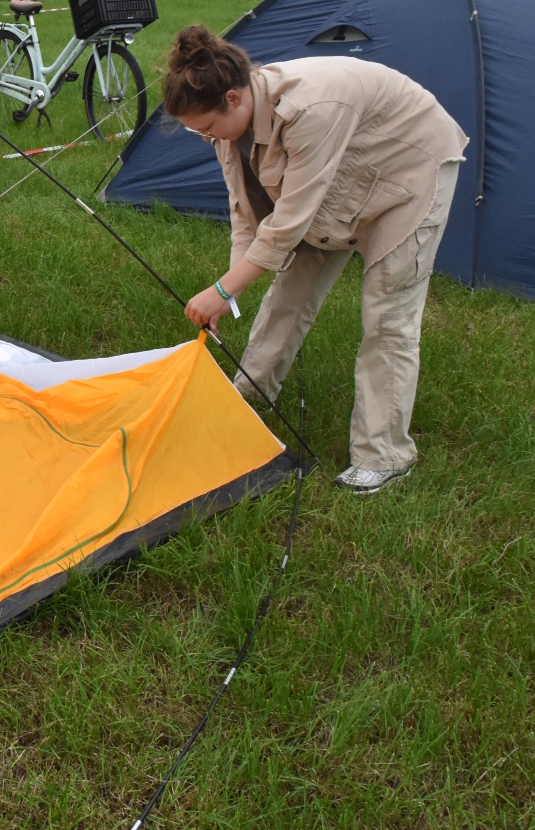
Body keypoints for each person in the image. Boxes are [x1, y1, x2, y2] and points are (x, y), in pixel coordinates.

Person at [164, 26, 467, 495]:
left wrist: (223, 292)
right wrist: (232, 285)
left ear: (233, 97)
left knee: (388, 315)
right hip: (341, 178)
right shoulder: (229, 129)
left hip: (408, 170)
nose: (203, 138)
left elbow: (286, 224)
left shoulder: (310, 109)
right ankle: (251, 390)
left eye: (204, 127)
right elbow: (247, 214)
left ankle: (384, 455)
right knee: (290, 287)